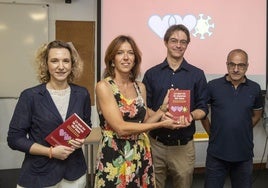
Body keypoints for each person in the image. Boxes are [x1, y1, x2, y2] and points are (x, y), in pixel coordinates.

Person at [94, 35, 182, 188]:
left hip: (140, 153)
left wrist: (163, 109)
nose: (126, 57)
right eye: (120, 53)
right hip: (115, 155)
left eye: (131, 53)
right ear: (112, 59)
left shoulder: (140, 87)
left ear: (135, 59)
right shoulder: (104, 86)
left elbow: (145, 122)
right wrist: (161, 125)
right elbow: (120, 128)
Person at [7, 40, 92, 188]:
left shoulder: (82, 94)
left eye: (66, 61)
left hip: (74, 174)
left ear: (72, 65)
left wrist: (80, 139)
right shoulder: (30, 96)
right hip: (39, 175)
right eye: (54, 61)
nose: (61, 66)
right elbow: (14, 139)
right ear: (46, 64)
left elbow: (86, 125)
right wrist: (50, 152)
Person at [142, 24, 209, 188]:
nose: (178, 45)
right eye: (174, 40)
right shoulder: (151, 74)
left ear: (187, 45)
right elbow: (144, 107)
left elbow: (203, 108)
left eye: (183, 42)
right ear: (165, 42)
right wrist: (160, 115)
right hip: (155, 143)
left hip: (183, 147)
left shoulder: (197, 74)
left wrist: (191, 116)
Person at [201, 49, 263, 188]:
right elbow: (203, 114)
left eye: (241, 65)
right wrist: (213, 133)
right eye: (232, 64)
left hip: (244, 153)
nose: (236, 69)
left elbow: (257, 114)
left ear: (247, 66)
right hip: (216, 153)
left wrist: (242, 128)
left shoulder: (255, 88)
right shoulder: (213, 86)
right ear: (226, 65)